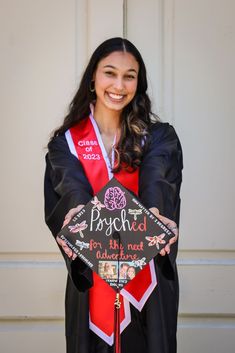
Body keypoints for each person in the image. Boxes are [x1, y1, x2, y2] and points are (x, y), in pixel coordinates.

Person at [44, 37, 183, 353]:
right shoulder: (66, 143)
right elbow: (70, 186)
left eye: (129, 75)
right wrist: (75, 211)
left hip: (147, 286)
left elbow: (157, 180)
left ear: (138, 82)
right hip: (92, 288)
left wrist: (157, 211)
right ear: (93, 77)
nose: (119, 84)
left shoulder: (159, 138)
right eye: (110, 72)